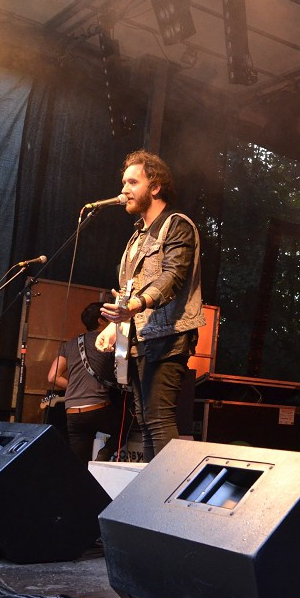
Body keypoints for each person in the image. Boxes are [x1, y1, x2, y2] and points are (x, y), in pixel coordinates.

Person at [97, 150, 204, 461]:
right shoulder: (136, 238)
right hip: (139, 338)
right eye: (123, 183)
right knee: (144, 420)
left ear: (155, 187)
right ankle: (150, 491)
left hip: (167, 336)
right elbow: (129, 289)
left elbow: (173, 276)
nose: (124, 190)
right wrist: (113, 327)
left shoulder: (177, 225)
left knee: (158, 418)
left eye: (133, 182)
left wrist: (136, 304)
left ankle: (165, 495)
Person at [47, 302, 119, 463]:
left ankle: (78, 488)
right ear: (101, 321)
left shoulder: (70, 344)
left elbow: (52, 377)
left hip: (72, 411)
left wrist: (74, 388)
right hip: (98, 408)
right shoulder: (109, 341)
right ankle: (104, 454)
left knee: (79, 464)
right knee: (125, 427)